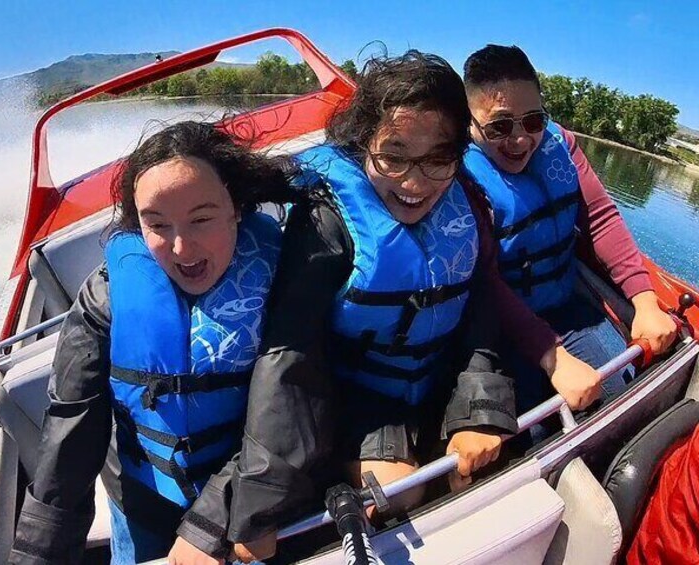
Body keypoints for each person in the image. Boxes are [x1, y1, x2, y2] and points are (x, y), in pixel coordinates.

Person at [214, 51, 590, 564]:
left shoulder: (462, 202)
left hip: (435, 376)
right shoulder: (327, 221)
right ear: (363, 144)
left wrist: (476, 411)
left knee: (477, 462)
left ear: (458, 155)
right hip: (354, 394)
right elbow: (290, 356)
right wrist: (261, 508)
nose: (415, 183)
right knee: (402, 489)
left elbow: (477, 311)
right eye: (393, 156)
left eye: (438, 158)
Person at [9, 120, 299, 564]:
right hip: (144, 503)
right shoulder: (107, 297)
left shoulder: (286, 277)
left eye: (201, 219)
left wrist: (215, 517)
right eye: (158, 225)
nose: (182, 248)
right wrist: (36, 556)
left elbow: (296, 403)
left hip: (264, 496)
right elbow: (71, 427)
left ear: (236, 207)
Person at [461, 45, 678, 415]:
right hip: (498, 328)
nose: (520, 139)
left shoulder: (561, 145)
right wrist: (553, 357)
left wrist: (644, 300)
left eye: (533, 121)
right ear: (471, 120)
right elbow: (484, 279)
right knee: (541, 425)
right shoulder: (457, 174)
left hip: (567, 305)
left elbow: (601, 217)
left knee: (627, 392)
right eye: (499, 126)